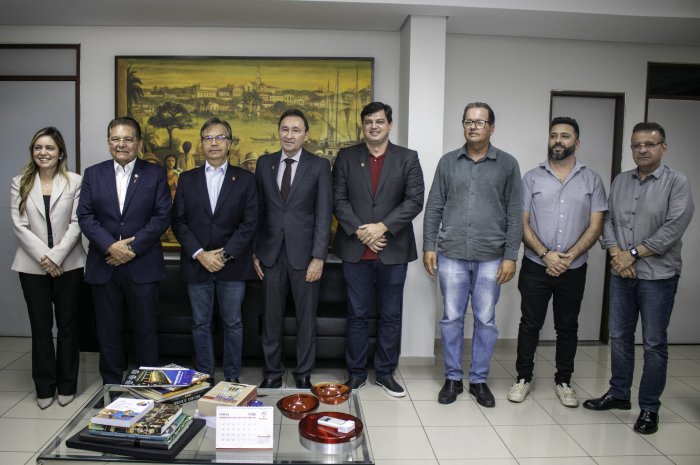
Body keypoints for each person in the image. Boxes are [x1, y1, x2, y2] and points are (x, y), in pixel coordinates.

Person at [583, 122, 694, 434]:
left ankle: (649, 407)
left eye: (649, 144)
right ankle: (619, 394)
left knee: (654, 343)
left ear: (663, 147)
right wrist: (617, 254)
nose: (642, 150)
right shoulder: (621, 180)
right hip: (622, 273)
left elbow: (674, 227)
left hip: (658, 276)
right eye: (636, 145)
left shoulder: (677, 182)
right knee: (619, 337)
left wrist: (631, 254)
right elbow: (608, 221)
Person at [423, 102, 522, 406]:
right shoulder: (448, 162)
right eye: (468, 121)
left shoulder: (507, 164)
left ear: (491, 127)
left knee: (486, 320)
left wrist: (511, 255)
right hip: (452, 252)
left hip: (491, 255)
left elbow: (515, 212)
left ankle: (479, 380)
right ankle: (453, 378)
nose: (473, 126)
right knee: (451, 318)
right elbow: (434, 205)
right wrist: (429, 245)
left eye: (480, 122)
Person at [507, 117, 607, 407]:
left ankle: (564, 381)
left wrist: (569, 256)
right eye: (553, 135)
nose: (558, 140)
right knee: (530, 324)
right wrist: (545, 254)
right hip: (536, 266)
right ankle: (523, 378)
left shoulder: (592, 180)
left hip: (573, 269)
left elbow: (596, 225)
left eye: (565, 136)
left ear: (577, 142)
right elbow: (521, 222)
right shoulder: (531, 178)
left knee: (567, 326)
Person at [333, 101, 424, 396]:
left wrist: (381, 227)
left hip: (393, 250)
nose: (374, 126)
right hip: (355, 250)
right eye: (369, 121)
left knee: (390, 316)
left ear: (389, 125)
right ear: (363, 126)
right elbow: (338, 200)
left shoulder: (407, 158)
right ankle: (356, 373)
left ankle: (385, 373)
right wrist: (363, 232)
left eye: (380, 121)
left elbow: (414, 200)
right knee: (357, 315)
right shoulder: (346, 157)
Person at [77, 117, 172, 385]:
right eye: (116, 139)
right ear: (108, 143)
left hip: (142, 266)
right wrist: (110, 246)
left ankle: (148, 385)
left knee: (146, 331)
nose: (122, 144)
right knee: (107, 331)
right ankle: (111, 386)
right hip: (104, 265)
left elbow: (162, 216)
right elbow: (85, 215)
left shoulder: (154, 174)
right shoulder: (93, 174)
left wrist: (131, 248)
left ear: (139, 143)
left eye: (128, 139)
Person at [172, 117, 257, 384]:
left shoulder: (245, 179)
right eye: (208, 138)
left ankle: (231, 379)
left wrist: (224, 254)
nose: (214, 143)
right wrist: (200, 254)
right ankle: (204, 378)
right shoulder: (187, 179)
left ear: (230, 143)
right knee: (200, 323)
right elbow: (178, 221)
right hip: (197, 264)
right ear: (201, 144)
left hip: (232, 265)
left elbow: (250, 222)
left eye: (220, 137)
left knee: (233, 323)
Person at [254, 109, 332, 389]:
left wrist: (319, 256)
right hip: (271, 254)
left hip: (305, 256)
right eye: (285, 129)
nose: (289, 135)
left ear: (306, 135)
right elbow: (258, 210)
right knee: (271, 319)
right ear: (279, 132)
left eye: (296, 130)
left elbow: (324, 213)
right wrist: (255, 252)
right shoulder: (264, 164)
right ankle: (272, 373)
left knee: (305, 319)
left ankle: (303, 374)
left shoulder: (319, 166)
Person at [11, 127, 86, 409]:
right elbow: (19, 226)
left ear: (61, 153)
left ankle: (67, 385)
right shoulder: (20, 182)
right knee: (40, 328)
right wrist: (47, 258)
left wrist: (57, 257)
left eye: (50, 148)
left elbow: (78, 223)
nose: (43, 153)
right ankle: (44, 387)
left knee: (68, 327)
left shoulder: (75, 181)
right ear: (33, 152)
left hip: (70, 265)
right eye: (38, 147)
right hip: (32, 267)